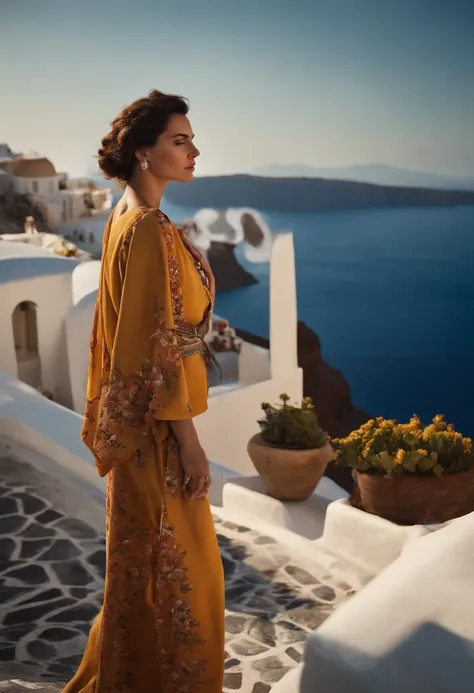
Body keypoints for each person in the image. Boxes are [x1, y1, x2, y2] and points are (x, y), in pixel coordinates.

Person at [63, 89, 225, 693]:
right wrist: (190, 443)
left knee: (141, 575)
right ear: (143, 152)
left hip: (135, 435)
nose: (194, 151)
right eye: (179, 141)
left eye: (191, 139)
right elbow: (158, 346)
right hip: (159, 438)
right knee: (190, 581)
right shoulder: (149, 228)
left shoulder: (123, 214)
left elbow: (132, 333)